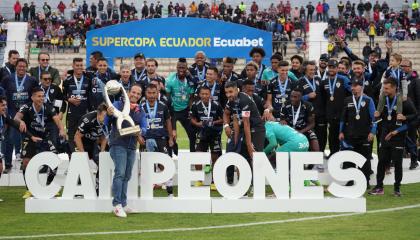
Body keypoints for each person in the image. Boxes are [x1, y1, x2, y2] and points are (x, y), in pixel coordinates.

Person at [15, 87, 66, 199]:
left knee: (55, 160)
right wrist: (21, 121)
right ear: (32, 97)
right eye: (39, 96)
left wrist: (62, 130)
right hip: (30, 137)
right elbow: (16, 117)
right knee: (26, 162)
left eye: (43, 96)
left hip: (44, 138)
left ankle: (49, 186)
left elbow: (57, 120)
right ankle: (29, 190)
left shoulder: (48, 107)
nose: (41, 98)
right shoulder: (26, 107)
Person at [369, 78, 417, 197]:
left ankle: (397, 188)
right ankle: (379, 187)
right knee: (382, 162)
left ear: (394, 88)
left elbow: (415, 117)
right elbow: (381, 118)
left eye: (386, 88)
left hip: (398, 136)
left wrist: (404, 120)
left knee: (397, 163)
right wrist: (376, 116)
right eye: (383, 88)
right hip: (385, 135)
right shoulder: (382, 100)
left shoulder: (404, 101)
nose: (384, 90)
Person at [107, 84, 147, 218]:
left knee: (127, 175)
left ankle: (123, 203)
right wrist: (109, 113)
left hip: (131, 147)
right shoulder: (117, 104)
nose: (135, 95)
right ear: (128, 92)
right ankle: (116, 205)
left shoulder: (140, 110)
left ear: (140, 96)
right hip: (118, 144)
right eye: (133, 92)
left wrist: (139, 133)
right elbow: (107, 120)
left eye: (138, 94)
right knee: (120, 173)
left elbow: (144, 127)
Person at [224, 81, 265, 189]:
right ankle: (246, 185)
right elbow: (235, 119)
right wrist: (235, 138)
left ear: (236, 89)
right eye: (226, 93)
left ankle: (258, 185)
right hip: (245, 128)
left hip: (256, 129)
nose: (228, 95)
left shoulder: (244, 100)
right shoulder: (231, 100)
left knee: (255, 155)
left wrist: (249, 145)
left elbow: (246, 123)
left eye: (230, 92)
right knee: (242, 155)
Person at [1, 58, 38, 174]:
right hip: (11, 112)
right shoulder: (8, 79)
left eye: (23, 66)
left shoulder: (32, 80)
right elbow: (2, 93)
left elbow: (36, 93)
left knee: (27, 137)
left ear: (26, 67)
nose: (21, 68)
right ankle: (7, 164)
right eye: (19, 66)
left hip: (26, 114)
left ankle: (27, 163)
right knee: (10, 138)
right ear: (16, 67)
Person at [339, 79, 377, 186]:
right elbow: (343, 118)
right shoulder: (347, 100)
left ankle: (366, 181)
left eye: (355, 85)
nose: (353, 88)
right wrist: (341, 131)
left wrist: (372, 132)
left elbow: (374, 118)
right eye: (352, 86)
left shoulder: (368, 100)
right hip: (350, 134)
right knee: (350, 158)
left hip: (364, 135)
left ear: (361, 87)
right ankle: (350, 181)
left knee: (364, 159)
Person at [141, 84, 174, 196]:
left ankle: (170, 191)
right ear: (146, 93)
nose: (151, 95)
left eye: (153, 93)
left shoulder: (162, 106)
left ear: (157, 93)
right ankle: (148, 190)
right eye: (149, 93)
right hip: (146, 139)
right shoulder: (141, 106)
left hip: (161, 138)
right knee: (147, 165)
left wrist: (170, 137)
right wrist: (139, 137)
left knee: (165, 163)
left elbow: (168, 121)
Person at [190, 86, 223, 190]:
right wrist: (198, 123)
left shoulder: (216, 105)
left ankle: (214, 181)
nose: (204, 96)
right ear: (199, 95)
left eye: (206, 94)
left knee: (215, 157)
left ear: (210, 95)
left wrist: (213, 122)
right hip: (202, 133)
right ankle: (199, 180)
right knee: (198, 156)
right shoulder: (195, 105)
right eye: (202, 94)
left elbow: (223, 119)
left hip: (214, 134)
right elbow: (192, 118)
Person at [74, 104, 108, 195]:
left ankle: (98, 188)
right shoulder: (87, 120)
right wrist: (82, 154)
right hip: (82, 143)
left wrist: (102, 152)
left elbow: (105, 137)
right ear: (98, 114)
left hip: (94, 143)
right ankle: (78, 190)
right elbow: (77, 137)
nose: (106, 119)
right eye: (104, 116)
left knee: (102, 162)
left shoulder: (108, 120)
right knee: (82, 164)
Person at [320, 59, 351, 157]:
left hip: (343, 112)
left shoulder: (344, 79)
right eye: (330, 67)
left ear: (337, 68)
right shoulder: (324, 82)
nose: (331, 69)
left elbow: (351, 93)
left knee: (343, 134)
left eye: (333, 67)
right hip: (330, 114)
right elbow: (322, 99)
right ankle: (333, 154)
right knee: (332, 135)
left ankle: (344, 155)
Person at [165, 58, 197, 153]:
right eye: (179, 67)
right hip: (173, 110)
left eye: (183, 67)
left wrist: (190, 110)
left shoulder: (190, 81)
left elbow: (191, 97)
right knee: (171, 134)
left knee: (192, 134)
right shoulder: (170, 79)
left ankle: (192, 155)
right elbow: (168, 96)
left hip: (185, 110)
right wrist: (170, 112)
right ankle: (172, 152)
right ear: (176, 67)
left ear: (187, 68)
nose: (181, 69)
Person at [62, 58, 92, 152]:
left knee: (84, 134)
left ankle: (84, 155)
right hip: (72, 113)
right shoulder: (67, 80)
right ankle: (73, 156)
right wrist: (69, 99)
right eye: (77, 65)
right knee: (71, 135)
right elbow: (62, 95)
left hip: (85, 112)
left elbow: (90, 95)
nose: (79, 67)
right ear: (73, 66)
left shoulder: (88, 79)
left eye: (81, 65)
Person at [298, 61, 327, 155]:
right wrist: (307, 96)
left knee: (322, 134)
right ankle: (309, 154)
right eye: (310, 70)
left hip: (320, 113)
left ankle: (321, 154)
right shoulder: (300, 81)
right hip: (307, 115)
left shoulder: (318, 79)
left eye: (314, 69)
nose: (313, 71)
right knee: (309, 135)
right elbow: (296, 98)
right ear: (305, 70)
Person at [375, 53, 407, 124]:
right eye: (390, 60)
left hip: (398, 90)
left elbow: (404, 84)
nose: (390, 62)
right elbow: (383, 83)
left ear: (398, 62)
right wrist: (381, 92)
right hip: (387, 90)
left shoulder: (401, 72)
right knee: (381, 98)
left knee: (399, 100)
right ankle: (378, 115)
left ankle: (399, 116)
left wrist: (404, 95)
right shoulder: (388, 70)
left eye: (392, 60)